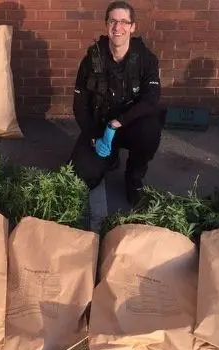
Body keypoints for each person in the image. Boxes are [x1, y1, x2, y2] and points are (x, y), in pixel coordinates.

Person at [69, 1, 162, 206]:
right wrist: (94, 136)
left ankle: (134, 175)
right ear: (106, 25)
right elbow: (80, 105)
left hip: (130, 125)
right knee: (81, 177)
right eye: (112, 21)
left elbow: (152, 99)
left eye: (123, 22)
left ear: (132, 27)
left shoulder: (146, 59)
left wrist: (119, 121)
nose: (117, 27)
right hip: (100, 128)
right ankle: (109, 158)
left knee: (151, 129)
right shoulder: (92, 60)